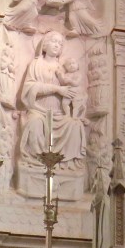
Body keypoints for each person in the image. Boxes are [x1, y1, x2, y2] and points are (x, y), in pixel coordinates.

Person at [18, 32, 86, 175]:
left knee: (75, 125)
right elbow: (29, 88)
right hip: (39, 111)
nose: (57, 45)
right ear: (45, 44)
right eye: (54, 41)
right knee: (34, 124)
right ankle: (37, 160)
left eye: (60, 43)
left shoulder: (62, 69)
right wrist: (56, 89)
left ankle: (67, 163)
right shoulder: (36, 64)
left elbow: (72, 87)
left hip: (59, 114)